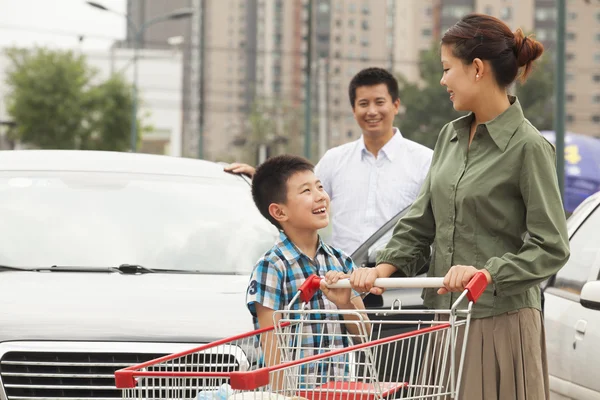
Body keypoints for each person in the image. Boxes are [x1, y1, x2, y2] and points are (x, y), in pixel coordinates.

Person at [349, 14, 570, 400]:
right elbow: (420, 221)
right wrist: (380, 270)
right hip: (443, 320)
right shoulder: (449, 136)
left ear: (478, 69)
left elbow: (551, 246)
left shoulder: (529, 147)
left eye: (447, 69)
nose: (443, 80)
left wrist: (486, 272)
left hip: (499, 322)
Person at [226, 67, 433, 255]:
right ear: (353, 110)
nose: (371, 111)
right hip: (342, 281)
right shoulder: (335, 160)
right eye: (363, 104)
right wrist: (260, 178)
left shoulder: (425, 161)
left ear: (396, 105)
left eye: (379, 102)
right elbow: (299, 197)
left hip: (402, 283)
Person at [245, 154, 367, 385]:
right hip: (296, 392)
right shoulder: (272, 266)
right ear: (280, 212)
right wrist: (285, 396)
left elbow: (363, 332)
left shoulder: (341, 261)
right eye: (306, 191)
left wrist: (344, 303)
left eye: (319, 187)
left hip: (339, 391)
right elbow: (272, 345)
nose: (320, 196)